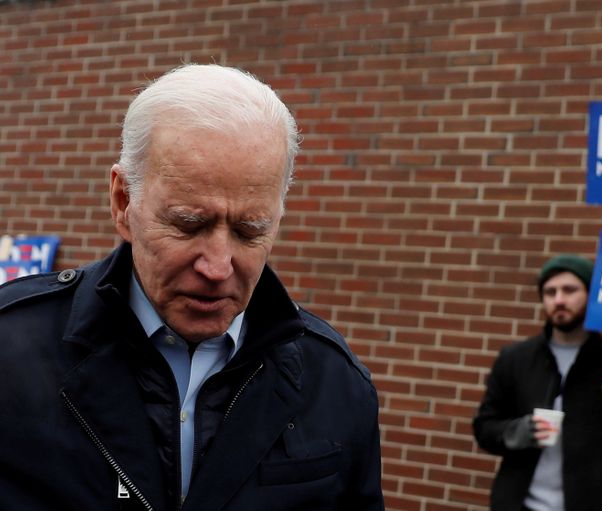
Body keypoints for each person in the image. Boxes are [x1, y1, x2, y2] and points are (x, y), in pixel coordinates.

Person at [0, 64, 384, 510]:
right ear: (123, 202)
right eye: (188, 224)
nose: (218, 267)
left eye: (249, 230)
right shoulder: (11, 353)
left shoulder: (336, 383)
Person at [473, 254, 602, 511]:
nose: (558, 300)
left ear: (591, 295)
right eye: (550, 292)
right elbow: (484, 428)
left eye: (569, 290)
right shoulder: (515, 359)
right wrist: (516, 432)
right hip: (520, 504)